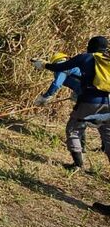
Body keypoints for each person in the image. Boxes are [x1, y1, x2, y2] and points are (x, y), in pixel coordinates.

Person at [34, 36, 110, 169]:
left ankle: (77, 165)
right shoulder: (107, 60)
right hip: (107, 103)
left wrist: (43, 64)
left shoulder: (86, 57)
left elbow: (60, 67)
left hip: (88, 101)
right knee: (108, 136)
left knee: (73, 130)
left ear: (90, 46)